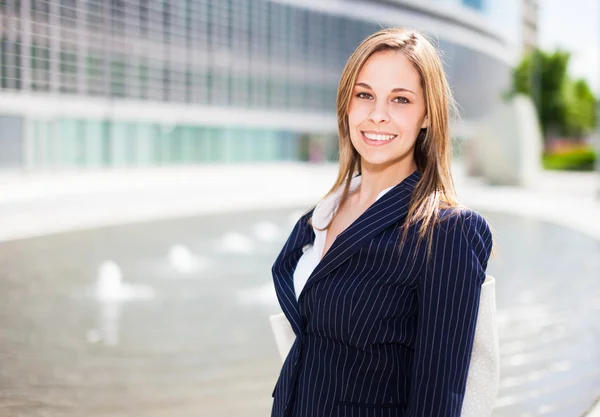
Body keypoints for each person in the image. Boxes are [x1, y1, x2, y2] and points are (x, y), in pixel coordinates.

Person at [270, 27, 494, 417]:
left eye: (401, 99)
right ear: (347, 103)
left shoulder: (447, 232)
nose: (377, 114)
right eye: (365, 94)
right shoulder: (320, 214)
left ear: (427, 115)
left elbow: (437, 404)